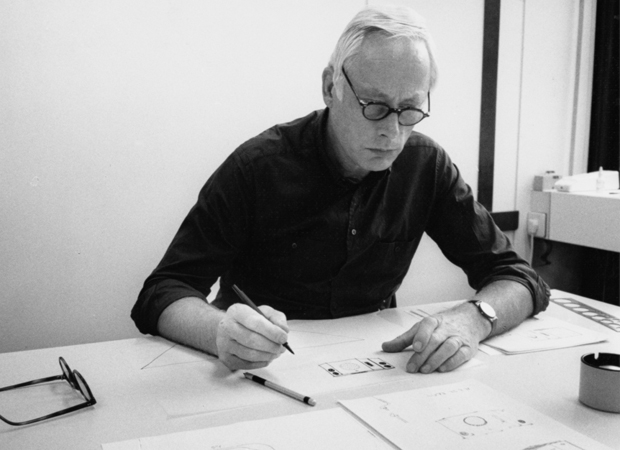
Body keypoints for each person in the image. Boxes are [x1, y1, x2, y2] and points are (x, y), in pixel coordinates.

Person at [131, 5, 549, 374]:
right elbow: (162, 292)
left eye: (410, 110)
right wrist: (221, 331)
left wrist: (474, 318)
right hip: (262, 369)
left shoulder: (425, 165)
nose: (391, 132)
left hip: (371, 367)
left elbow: (518, 277)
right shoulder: (258, 167)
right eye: (375, 106)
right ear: (331, 86)